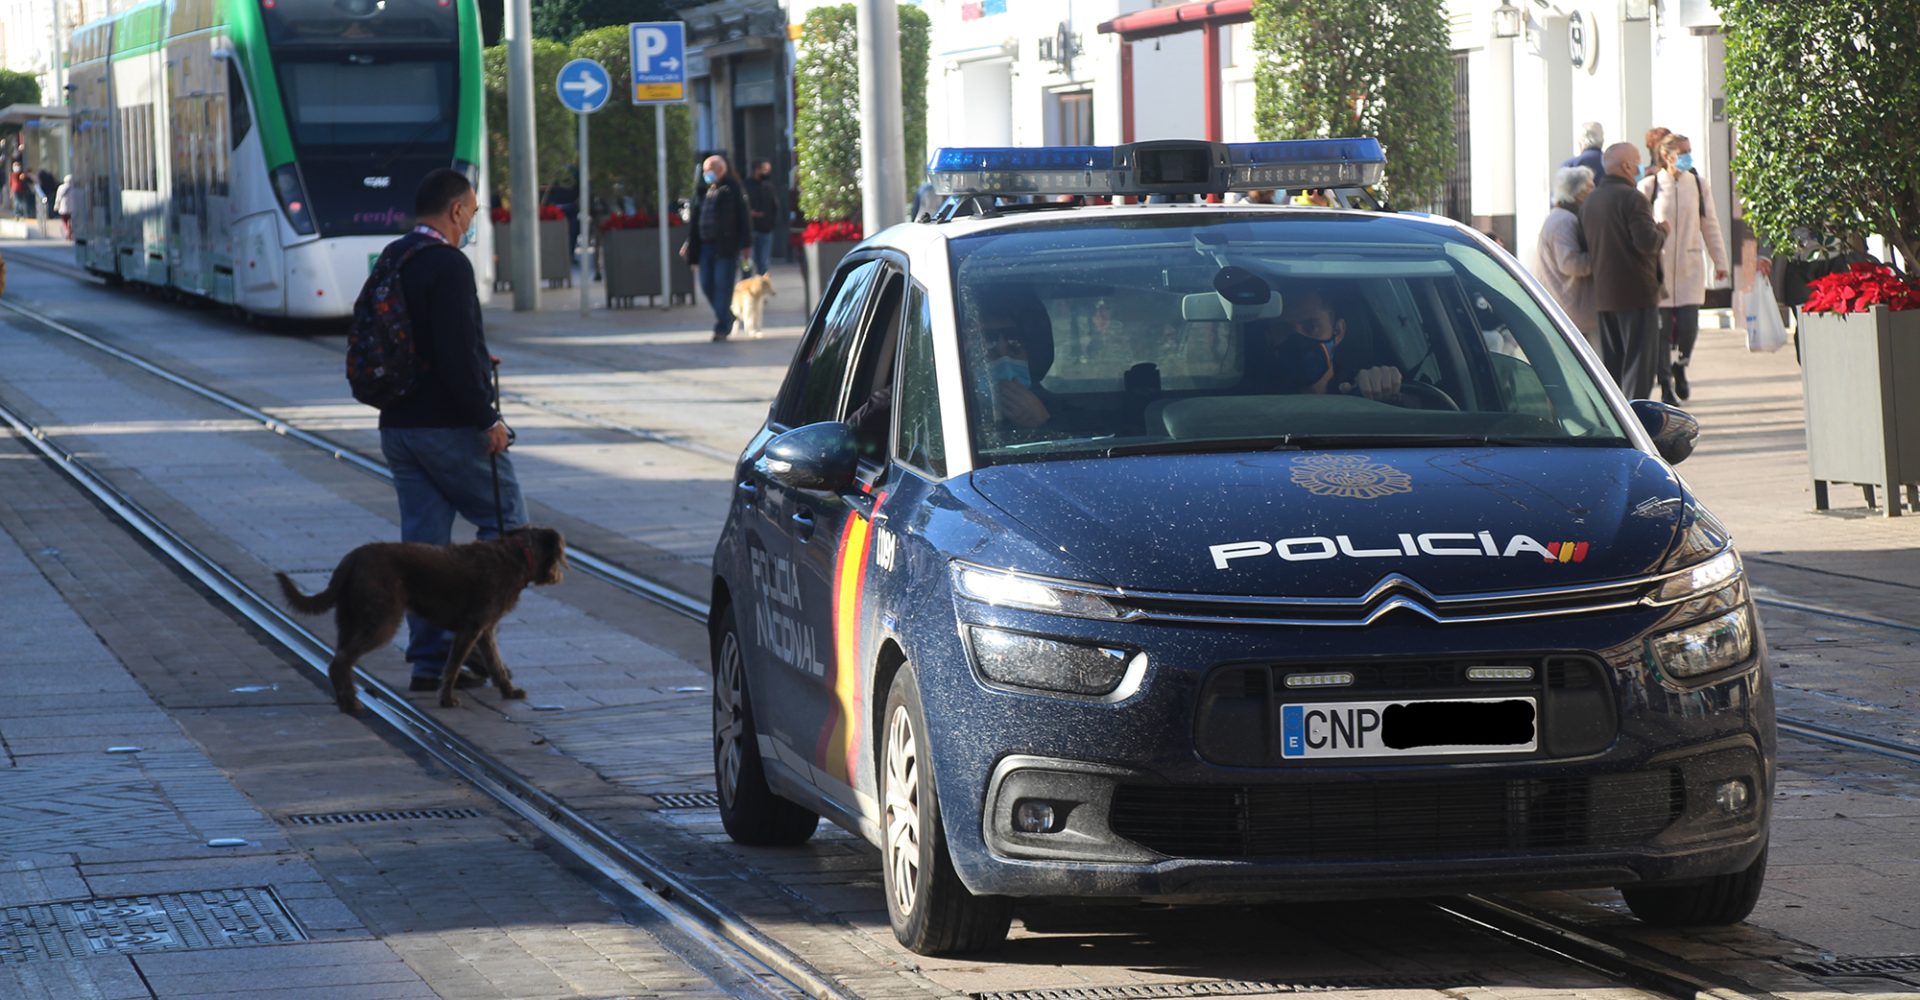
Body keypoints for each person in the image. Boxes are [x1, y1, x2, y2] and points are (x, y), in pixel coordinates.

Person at [369, 168, 528, 693]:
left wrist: (478, 356)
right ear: (456, 210)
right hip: (448, 426)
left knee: (424, 547)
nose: (474, 220)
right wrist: (489, 418)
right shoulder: (450, 265)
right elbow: (455, 355)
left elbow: (418, 340)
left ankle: (431, 661)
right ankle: (476, 642)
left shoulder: (394, 256)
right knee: (509, 525)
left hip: (399, 426)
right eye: (474, 211)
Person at [1637, 132, 1729, 402]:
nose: (1689, 156)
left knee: (1688, 328)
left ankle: (1681, 366)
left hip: (1690, 267)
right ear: (1667, 156)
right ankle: (1665, 382)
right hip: (1659, 270)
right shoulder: (1649, 186)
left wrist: (1720, 261)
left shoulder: (1699, 185)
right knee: (1661, 332)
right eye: (1684, 151)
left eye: (1690, 150)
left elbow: (1710, 224)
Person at [1582, 142, 1669, 399]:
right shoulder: (1633, 198)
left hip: (1605, 296)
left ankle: (1619, 421)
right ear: (1627, 166)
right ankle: (1637, 423)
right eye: (1638, 160)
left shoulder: (1591, 201)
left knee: (1615, 367)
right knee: (1639, 369)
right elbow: (1647, 243)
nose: (1641, 165)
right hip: (1637, 293)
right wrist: (1663, 230)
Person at [1249, 286, 1403, 400]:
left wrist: (1387, 389)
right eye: (1283, 329)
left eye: (1311, 326)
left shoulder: (1364, 390)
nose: (1298, 340)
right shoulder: (1250, 400)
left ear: (1338, 331)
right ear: (1269, 339)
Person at [681, 154, 753, 340]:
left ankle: (722, 326)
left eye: (709, 170)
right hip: (705, 246)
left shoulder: (732, 190)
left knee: (723, 285)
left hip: (726, 246)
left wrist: (746, 245)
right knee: (706, 284)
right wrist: (689, 243)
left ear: (721, 170)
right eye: (704, 171)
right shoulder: (703, 192)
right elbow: (697, 221)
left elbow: (744, 219)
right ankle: (726, 316)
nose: (706, 174)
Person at [1529, 165, 1599, 350]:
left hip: (1572, 309)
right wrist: (1601, 259)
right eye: (1591, 187)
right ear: (1578, 193)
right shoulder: (1565, 221)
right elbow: (1570, 264)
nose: (1595, 191)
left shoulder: (1564, 217)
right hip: (1571, 309)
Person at [743, 159, 778, 276]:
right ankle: (747, 287)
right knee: (747, 264)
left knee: (763, 264)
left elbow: (774, 206)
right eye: (765, 170)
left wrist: (771, 223)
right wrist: (750, 214)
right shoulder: (745, 186)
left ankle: (761, 290)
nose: (767, 173)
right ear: (757, 170)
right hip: (749, 230)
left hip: (765, 229)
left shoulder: (768, 186)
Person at [52, 174, 72, 238]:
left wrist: (56, 206)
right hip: (73, 208)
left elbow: (58, 198)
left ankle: (67, 231)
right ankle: (70, 231)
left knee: (65, 220)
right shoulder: (75, 188)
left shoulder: (61, 187)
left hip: (63, 207)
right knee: (71, 221)